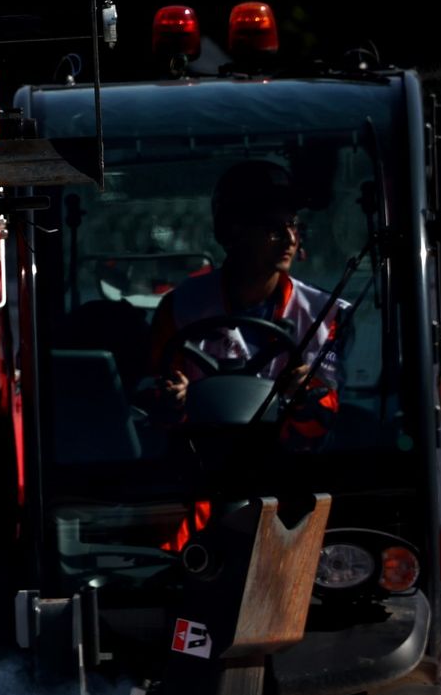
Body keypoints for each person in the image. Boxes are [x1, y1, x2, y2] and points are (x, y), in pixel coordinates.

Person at [142, 159, 352, 548]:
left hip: (289, 484)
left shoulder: (324, 315)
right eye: (274, 228)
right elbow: (157, 400)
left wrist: (306, 395)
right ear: (232, 232)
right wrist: (175, 400)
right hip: (202, 482)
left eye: (294, 226)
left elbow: (325, 419)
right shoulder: (180, 308)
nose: (290, 239)